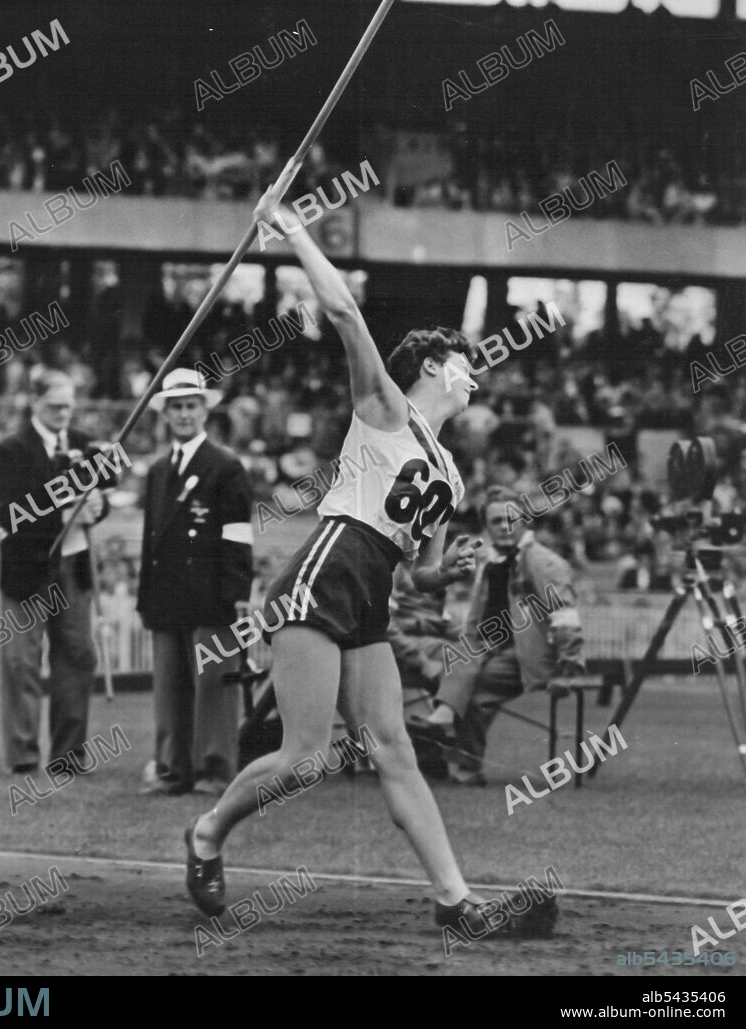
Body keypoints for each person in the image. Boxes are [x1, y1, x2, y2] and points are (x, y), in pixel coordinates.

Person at [183, 186, 557, 939]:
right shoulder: (386, 405)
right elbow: (346, 315)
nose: (473, 371)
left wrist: (442, 574)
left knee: (393, 747)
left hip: (371, 592)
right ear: (427, 365)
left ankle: (456, 901)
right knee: (305, 757)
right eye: (461, 360)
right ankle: (207, 832)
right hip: (323, 573)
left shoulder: (450, 472)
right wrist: (292, 227)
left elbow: (414, 567)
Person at [0, 370, 110, 774]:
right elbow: (11, 513)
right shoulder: (11, 449)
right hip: (24, 566)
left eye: (69, 406)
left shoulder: (84, 444)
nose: (63, 414)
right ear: (34, 402)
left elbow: (108, 489)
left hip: (74, 565)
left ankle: (68, 756)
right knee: (21, 661)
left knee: (78, 655)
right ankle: (22, 756)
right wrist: (65, 509)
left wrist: (97, 507)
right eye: (55, 406)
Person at [416, 485, 586, 785]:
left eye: (512, 519)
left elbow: (564, 616)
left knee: (473, 689)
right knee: (452, 662)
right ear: (487, 526)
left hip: (529, 654)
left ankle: (455, 750)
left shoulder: (542, 561)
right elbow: (479, 612)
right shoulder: (488, 560)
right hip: (489, 646)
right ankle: (445, 738)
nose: (505, 526)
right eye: (496, 521)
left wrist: (568, 666)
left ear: (525, 521)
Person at [137, 368, 253, 797]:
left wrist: (237, 595)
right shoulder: (157, 471)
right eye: (176, 408)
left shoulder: (225, 467)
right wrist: (146, 598)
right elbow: (152, 538)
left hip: (211, 596)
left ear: (205, 410)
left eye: (191, 406)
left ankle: (214, 770)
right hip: (166, 595)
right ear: (165, 415)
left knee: (213, 691)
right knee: (169, 692)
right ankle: (172, 769)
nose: (184, 415)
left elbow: (238, 537)